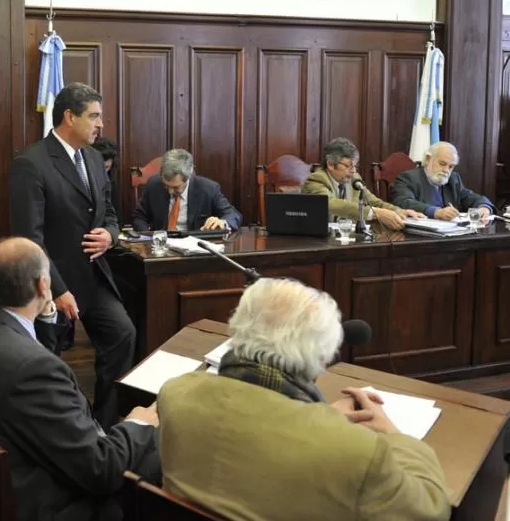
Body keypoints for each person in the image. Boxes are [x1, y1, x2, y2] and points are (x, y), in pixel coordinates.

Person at [157, 277, 451, 521]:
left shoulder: (176, 395)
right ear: (322, 360)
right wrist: (392, 434)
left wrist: (317, 415)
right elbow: (431, 510)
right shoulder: (359, 452)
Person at [0, 238, 160, 521]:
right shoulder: (33, 370)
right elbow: (101, 470)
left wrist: (45, 314)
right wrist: (139, 422)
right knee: (158, 453)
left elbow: (22, 346)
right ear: (44, 286)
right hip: (54, 506)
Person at [9, 82, 134, 428]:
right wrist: (57, 289)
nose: (100, 125)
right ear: (69, 116)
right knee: (48, 363)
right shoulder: (31, 163)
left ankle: (105, 424)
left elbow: (109, 212)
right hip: (51, 283)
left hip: (93, 277)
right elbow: (29, 240)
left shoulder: (94, 158)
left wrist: (109, 235)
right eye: (94, 117)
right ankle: (60, 430)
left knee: (122, 335)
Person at [302, 137, 421, 230]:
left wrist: (398, 211)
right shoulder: (317, 180)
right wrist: (375, 214)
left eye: (355, 166)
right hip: (320, 242)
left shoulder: (354, 178)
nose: (353, 170)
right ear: (331, 164)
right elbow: (331, 204)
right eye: (349, 166)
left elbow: (373, 202)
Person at [132, 149, 242, 232]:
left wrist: (222, 222)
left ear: (188, 177)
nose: (170, 191)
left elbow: (233, 215)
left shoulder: (208, 189)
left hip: (195, 251)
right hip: (160, 249)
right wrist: (148, 236)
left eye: (175, 187)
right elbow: (139, 217)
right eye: (166, 185)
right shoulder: (154, 184)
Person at [392, 142, 495, 220]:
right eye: (442, 164)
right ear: (428, 159)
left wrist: (484, 207)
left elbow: (470, 197)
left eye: (451, 166)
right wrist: (436, 212)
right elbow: (403, 202)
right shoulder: (408, 177)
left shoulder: (453, 179)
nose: (446, 170)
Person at [92, 137, 122, 220]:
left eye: (106, 167)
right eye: (99, 167)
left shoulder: (111, 179)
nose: (103, 172)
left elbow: (116, 213)